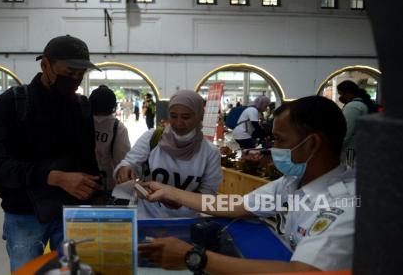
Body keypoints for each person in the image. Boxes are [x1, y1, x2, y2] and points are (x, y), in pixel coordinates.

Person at [139, 96, 356, 273]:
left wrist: (193, 257)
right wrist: (170, 191)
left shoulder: (344, 204)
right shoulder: (291, 183)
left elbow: (301, 272)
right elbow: (235, 206)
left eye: (279, 140)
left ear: (312, 144)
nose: (273, 148)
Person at [0, 35, 102, 272]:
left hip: (72, 212)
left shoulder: (81, 107)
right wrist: (55, 177)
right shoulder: (10, 104)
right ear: (45, 65)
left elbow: (88, 160)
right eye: (70, 72)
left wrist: (97, 198)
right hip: (24, 214)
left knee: (75, 271)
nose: (76, 79)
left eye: (81, 74)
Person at [114, 90, 222, 219]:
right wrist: (125, 170)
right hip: (145, 218)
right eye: (173, 116)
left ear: (199, 116)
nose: (178, 123)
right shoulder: (152, 138)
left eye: (186, 117)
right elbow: (130, 163)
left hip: (185, 223)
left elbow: (209, 193)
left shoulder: (210, 152)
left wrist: (181, 199)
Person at [89, 85, 131, 192]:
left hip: (81, 182)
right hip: (106, 184)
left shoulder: (81, 121)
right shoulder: (118, 127)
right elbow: (122, 160)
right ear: (113, 105)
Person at [337, 80, 374, 155]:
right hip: (361, 147)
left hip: (351, 150)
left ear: (348, 93)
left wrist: (335, 147)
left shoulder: (353, 106)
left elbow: (346, 131)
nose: (340, 97)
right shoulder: (363, 103)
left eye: (341, 94)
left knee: (349, 166)